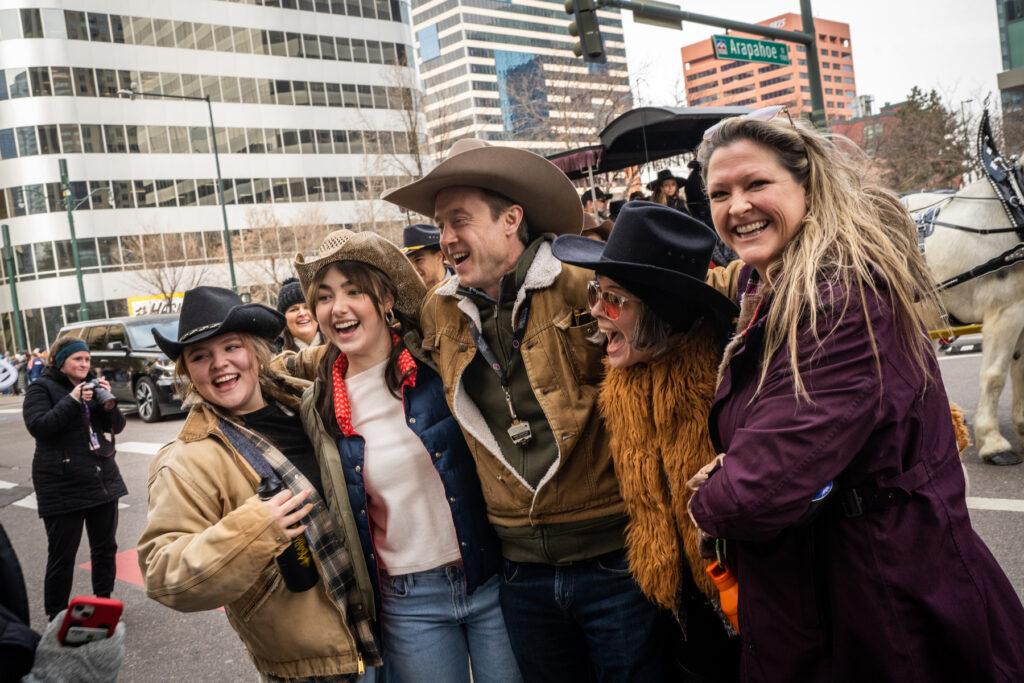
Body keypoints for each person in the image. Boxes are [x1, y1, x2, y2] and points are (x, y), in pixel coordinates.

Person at [688, 107, 1024, 680]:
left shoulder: (839, 299)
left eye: (757, 183)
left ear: (808, 187)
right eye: (720, 193)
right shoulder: (766, 284)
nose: (736, 206)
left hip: (884, 600)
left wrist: (708, 499)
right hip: (827, 590)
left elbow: (753, 492)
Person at [382, 138, 666, 681]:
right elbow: (367, 347)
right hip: (520, 572)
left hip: (616, 559)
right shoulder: (439, 312)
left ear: (512, 218)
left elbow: (676, 336)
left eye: (458, 221)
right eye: (440, 227)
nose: (445, 240)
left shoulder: (585, 283)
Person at [277, 229, 518, 683]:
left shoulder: (437, 361)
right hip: (408, 601)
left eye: (353, 291)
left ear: (385, 297)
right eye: (324, 297)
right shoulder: (320, 405)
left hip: (491, 577)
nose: (338, 308)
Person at [138, 286, 381, 681]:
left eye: (231, 347)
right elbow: (164, 574)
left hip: (384, 629)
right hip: (312, 667)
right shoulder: (186, 459)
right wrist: (254, 530)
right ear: (187, 371)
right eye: (200, 356)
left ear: (254, 350)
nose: (219, 364)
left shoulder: (304, 401)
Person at [551, 201, 740, 680]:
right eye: (596, 292)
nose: (595, 310)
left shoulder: (729, 367)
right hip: (667, 602)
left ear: (661, 311)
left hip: (748, 591)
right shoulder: (619, 378)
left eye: (613, 300)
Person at [22, 337, 127, 622]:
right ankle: (56, 615)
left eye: (87, 359)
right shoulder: (40, 389)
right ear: (60, 361)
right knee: (62, 554)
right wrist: (72, 400)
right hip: (61, 483)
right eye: (77, 359)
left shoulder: (92, 387)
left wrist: (108, 402)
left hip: (100, 478)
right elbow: (40, 427)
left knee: (105, 549)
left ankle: (102, 605)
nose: (84, 364)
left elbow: (115, 426)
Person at [1, 522, 126, 682]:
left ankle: (102, 608)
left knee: (105, 549)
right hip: (62, 503)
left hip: (102, 497)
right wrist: (60, 675)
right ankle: (55, 619)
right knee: (62, 558)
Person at [276, 277, 322, 352]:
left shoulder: (338, 348)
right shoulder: (276, 357)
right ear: (283, 319)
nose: (302, 313)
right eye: (294, 309)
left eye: (307, 307)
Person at [401, 223, 451, 291]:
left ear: (439, 256)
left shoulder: (465, 286)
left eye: (418, 260)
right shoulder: (409, 296)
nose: (413, 268)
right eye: (409, 262)